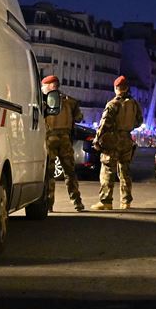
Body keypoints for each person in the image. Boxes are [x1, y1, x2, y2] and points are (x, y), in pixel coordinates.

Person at [91, 76, 143, 211]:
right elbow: (139, 121)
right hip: (127, 139)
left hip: (112, 140)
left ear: (116, 88)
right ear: (127, 88)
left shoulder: (113, 104)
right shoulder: (134, 104)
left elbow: (104, 124)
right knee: (125, 171)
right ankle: (126, 202)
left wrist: (97, 140)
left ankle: (106, 201)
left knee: (108, 170)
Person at [40, 75, 85, 212]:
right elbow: (79, 118)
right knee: (70, 172)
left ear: (50, 86)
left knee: (49, 174)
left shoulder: (44, 101)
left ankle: (49, 204)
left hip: (50, 139)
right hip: (65, 140)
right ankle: (77, 202)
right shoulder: (70, 101)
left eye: (43, 87)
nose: (42, 89)